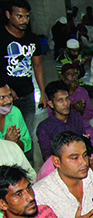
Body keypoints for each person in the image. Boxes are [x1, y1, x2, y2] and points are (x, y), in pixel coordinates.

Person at [1, 0, 46, 142]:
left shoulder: (32, 39)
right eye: (19, 16)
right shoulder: (1, 37)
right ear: (8, 15)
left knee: (26, 134)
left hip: (27, 93)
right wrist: (8, 89)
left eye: (26, 17)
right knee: (7, 134)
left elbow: (37, 66)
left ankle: (27, 163)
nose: (24, 20)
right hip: (4, 96)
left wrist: (42, 93)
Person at [37, 80, 85, 161]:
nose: (65, 103)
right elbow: (47, 157)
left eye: (67, 99)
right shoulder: (44, 127)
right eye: (60, 100)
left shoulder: (76, 116)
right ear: (51, 104)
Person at [61, 63, 93, 148]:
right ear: (62, 77)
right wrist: (72, 110)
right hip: (66, 131)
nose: (73, 77)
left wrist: (81, 111)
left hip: (84, 129)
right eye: (69, 74)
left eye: (75, 74)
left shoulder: (82, 91)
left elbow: (90, 114)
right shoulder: (59, 94)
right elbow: (54, 118)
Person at [0, 79, 31, 153]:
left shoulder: (14, 112)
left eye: (9, 95)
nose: (8, 101)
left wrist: (15, 142)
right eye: (2, 97)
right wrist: (6, 143)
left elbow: (27, 142)